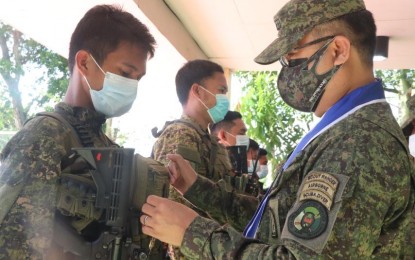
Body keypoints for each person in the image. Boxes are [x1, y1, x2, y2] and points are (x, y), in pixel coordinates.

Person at [140, 0, 415, 258]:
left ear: (338, 51)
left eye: (293, 58)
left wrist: (192, 233)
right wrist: (199, 189)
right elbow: (278, 220)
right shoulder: (342, 132)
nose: (287, 72)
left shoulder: (358, 143)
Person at [0, 5, 157, 258]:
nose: (132, 86)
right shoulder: (44, 136)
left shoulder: (102, 142)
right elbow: (13, 243)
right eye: (126, 73)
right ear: (84, 62)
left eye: (137, 79)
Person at [151, 59, 234, 259]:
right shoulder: (181, 135)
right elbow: (175, 213)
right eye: (221, 90)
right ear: (198, 91)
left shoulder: (210, 142)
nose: (225, 98)